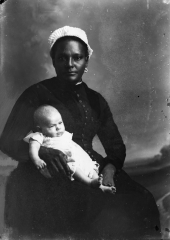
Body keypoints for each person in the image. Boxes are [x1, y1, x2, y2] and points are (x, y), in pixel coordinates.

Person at [0, 26, 161, 239]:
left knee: (141, 200)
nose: (69, 64)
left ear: (86, 61)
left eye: (77, 57)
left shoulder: (96, 100)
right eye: (62, 58)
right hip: (44, 172)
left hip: (89, 165)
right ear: (53, 60)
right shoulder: (36, 94)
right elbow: (7, 140)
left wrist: (110, 170)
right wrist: (43, 154)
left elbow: (115, 147)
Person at [24, 105, 115, 193]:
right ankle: (89, 182)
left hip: (79, 157)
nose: (58, 127)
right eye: (52, 126)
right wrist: (36, 159)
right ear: (40, 129)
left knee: (90, 167)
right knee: (75, 168)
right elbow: (33, 148)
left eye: (60, 123)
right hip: (67, 160)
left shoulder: (64, 134)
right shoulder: (39, 136)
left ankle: (100, 186)